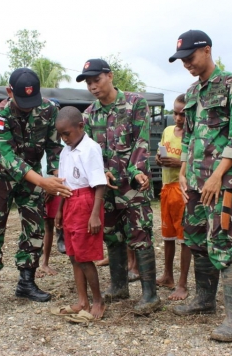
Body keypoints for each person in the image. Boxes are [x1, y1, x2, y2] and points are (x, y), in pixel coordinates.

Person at [169, 30, 232, 342]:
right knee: (195, 238)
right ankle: (204, 300)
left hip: (222, 182)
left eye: (190, 57)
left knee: (222, 243)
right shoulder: (191, 92)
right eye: (182, 60)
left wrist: (218, 174)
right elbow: (187, 135)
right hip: (195, 182)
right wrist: (185, 169)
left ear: (206, 50)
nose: (187, 64)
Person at [0, 68, 72, 308]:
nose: (28, 107)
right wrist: (41, 180)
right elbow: (4, 155)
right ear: (9, 92)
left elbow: (53, 146)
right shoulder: (0, 114)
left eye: (32, 101)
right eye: (23, 101)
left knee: (35, 226)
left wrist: (58, 174)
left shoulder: (49, 110)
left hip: (32, 174)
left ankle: (26, 282)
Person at [76, 58, 161, 314]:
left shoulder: (135, 104)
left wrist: (136, 171)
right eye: (88, 82)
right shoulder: (89, 115)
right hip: (107, 188)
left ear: (110, 76)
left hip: (133, 186)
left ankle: (150, 295)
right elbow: (89, 153)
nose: (92, 86)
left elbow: (141, 142)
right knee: (112, 235)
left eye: (96, 80)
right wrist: (101, 172)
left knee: (140, 236)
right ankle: (119, 286)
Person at [51, 106, 107, 320]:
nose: (64, 138)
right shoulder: (66, 150)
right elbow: (65, 183)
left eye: (67, 133)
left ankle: (98, 300)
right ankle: (82, 300)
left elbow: (99, 184)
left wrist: (95, 215)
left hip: (87, 202)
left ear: (81, 127)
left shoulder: (90, 148)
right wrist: (59, 210)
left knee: (85, 257)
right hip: (69, 201)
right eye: (61, 134)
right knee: (73, 255)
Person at [155, 94, 192, 300]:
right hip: (167, 188)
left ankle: (183, 283)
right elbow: (161, 152)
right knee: (168, 235)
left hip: (183, 188)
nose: (178, 118)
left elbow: (195, 161)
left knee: (184, 237)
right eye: (175, 113)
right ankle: (167, 275)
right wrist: (159, 159)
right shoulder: (168, 130)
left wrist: (178, 164)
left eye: (183, 114)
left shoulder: (193, 135)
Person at [39, 97, 63, 277]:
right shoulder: (38, 136)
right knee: (42, 226)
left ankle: (46, 261)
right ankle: (42, 263)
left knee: (59, 224)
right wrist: (43, 185)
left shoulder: (64, 138)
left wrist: (54, 188)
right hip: (41, 185)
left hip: (57, 187)